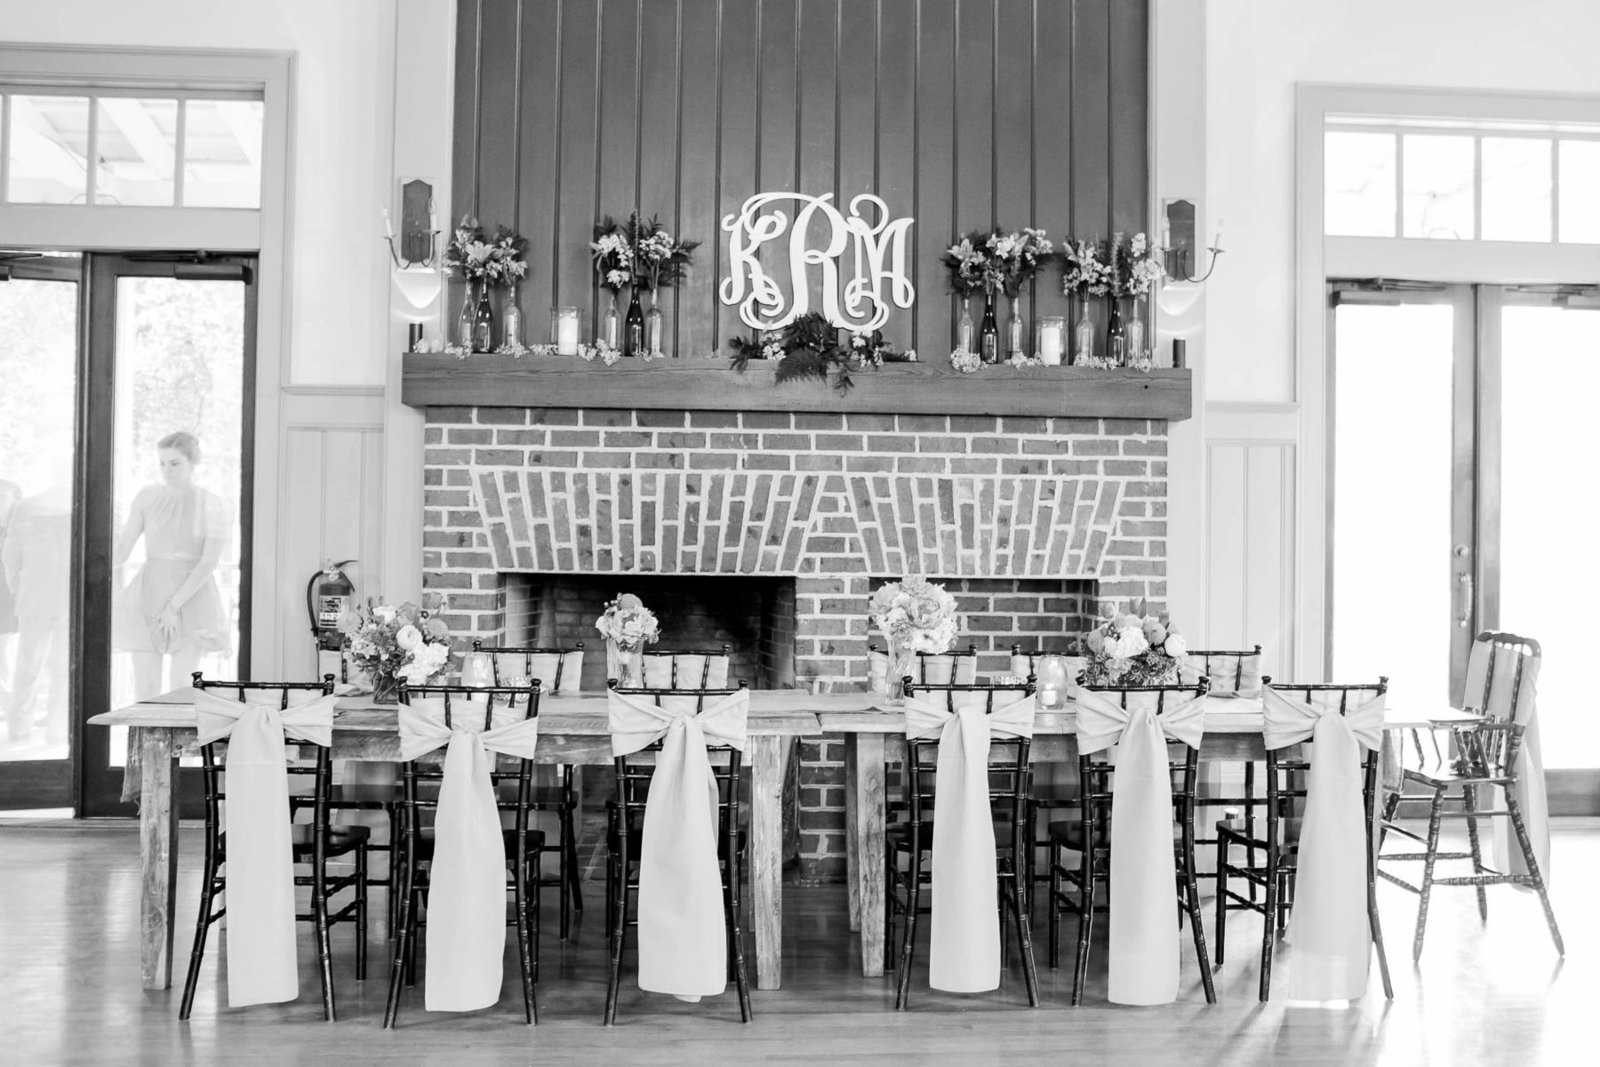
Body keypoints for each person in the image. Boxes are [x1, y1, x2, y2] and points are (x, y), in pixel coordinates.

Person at [113, 431, 232, 699]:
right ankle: (143, 740)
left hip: (193, 596)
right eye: (162, 463)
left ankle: (178, 740)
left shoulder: (212, 504)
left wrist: (174, 606)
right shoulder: (146, 498)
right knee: (145, 685)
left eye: (175, 463)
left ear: (192, 462)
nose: (167, 470)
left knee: (181, 684)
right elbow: (122, 549)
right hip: (149, 592)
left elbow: (208, 563)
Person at [3, 472, 70, 746]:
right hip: (67, 596)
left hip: (33, 595)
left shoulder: (26, 509)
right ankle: (56, 729)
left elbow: (10, 558)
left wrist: (18, 588)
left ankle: (19, 728)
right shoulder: (76, 510)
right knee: (61, 666)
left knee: (28, 665)